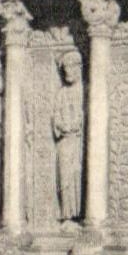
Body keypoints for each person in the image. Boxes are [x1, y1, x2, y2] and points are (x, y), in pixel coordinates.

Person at [52, 49, 84, 223]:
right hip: (65, 141)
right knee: (65, 178)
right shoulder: (62, 93)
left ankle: (81, 215)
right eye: (65, 69)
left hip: (80, 141)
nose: (67, 72)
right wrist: (61, 125)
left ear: (79, 68)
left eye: (71, 68)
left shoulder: (85, 90)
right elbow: (56, 116)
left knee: (79, 176)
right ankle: (67, 216)